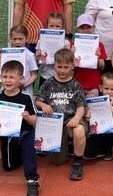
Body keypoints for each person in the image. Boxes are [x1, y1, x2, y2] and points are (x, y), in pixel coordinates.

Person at [0, 60, 40, 196]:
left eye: (12, 77)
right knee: (8, 167)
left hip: (25, 132)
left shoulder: (26, 97)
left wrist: (27, 117)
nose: (8, 80)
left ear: (21, 79)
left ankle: (32, 180)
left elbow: (34, 120)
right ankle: (20, 155)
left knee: (28, 145)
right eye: (5, 77)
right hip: (7, 134)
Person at [36, 48, 87, 181]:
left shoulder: (76, 85)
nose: (62, 70)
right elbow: (38, 101)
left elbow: (81, 107)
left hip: (71, 119)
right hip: (54, 123)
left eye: (66, 67)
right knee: (58, 162)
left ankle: (78, 162)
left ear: (72, 66)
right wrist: (43, 105)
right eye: (59, 67)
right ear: (54, 65)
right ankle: (67, 147)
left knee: (79, 130)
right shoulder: (48, 83)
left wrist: (76, 118)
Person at [72, 13, 107, 98]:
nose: (85, 30)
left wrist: (98, 57)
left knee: (92, 106)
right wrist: (71, 54)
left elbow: (102, 67)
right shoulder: (74, 45)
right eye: (82, 28)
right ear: (77, 29)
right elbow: (69, 67)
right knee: (78, 105)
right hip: (77, 85)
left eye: (88, 27)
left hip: (93, 86)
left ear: (93, 28)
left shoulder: (99, 45)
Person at [36, 12, 71, 88]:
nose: (54, 29)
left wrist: (67, 53)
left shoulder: (66, 43)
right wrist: (37, 55)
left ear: (62, 27)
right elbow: (37, 61)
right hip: (45, 76)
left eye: (57, 26)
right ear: (47, 26)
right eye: (51, 26)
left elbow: (69, 62)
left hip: (61, 77)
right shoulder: (41, 41)